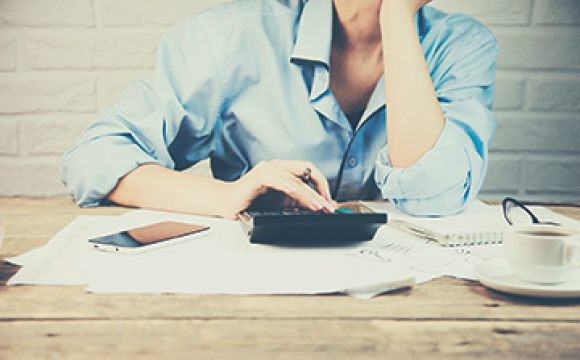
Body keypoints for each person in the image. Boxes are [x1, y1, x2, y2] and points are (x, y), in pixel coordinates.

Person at [60, 0, 498, 220]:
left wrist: (397, 17)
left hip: (402, 299)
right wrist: (226, 196)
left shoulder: (462, 46)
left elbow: (434, 197)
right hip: (256, 289)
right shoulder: (232, 37)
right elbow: (95, 157)